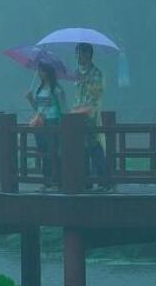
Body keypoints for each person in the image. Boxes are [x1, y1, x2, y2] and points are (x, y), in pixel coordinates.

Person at [72, 42, 110, 190]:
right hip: (77, 117)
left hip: (90, 116)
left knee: (95, 148)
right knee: (81, 150)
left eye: (79, 53)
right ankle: (85, 182)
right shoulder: (77, 73)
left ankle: (103, 182)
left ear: (88, 54)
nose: (77, 57)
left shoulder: (96, 73)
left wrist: (86, 83)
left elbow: (95, 96)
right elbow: (77, 97)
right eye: (76, 53)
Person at [25, 62, 66, 190]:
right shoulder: (39, 89)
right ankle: (46, 180)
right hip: (40, 122)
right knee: (43, 151)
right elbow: (37, 108)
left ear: (48, 72)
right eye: (39, 70)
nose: (39, 73)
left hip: (52, 122)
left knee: (53, 151)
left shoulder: (56, 90)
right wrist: (31, 99)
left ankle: (56, 180)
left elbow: (63, 108)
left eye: (42, 71)